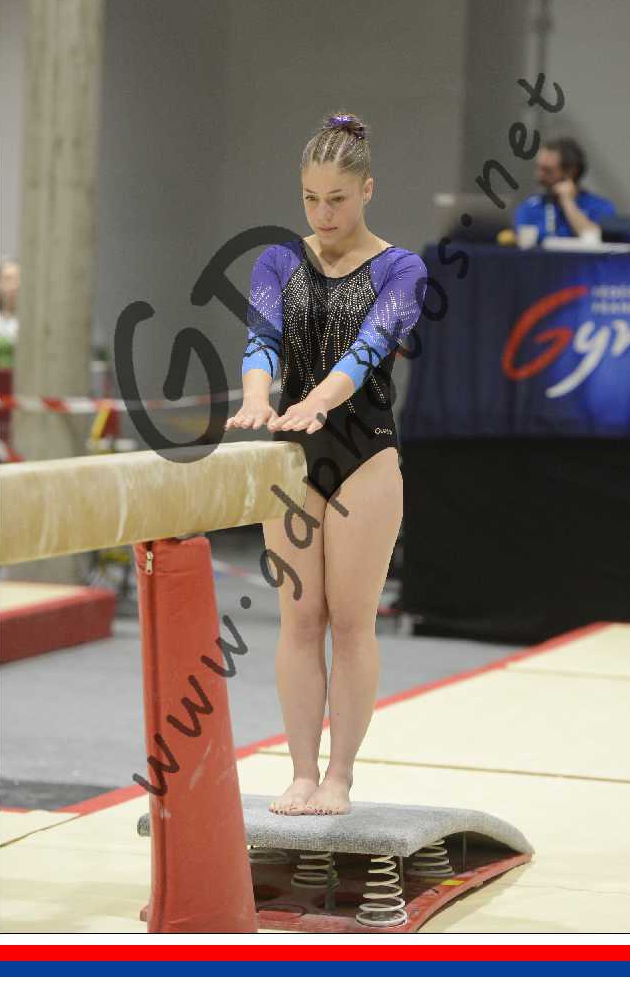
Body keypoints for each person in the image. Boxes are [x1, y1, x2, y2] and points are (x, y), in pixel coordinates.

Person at [225, 111, 427, 816]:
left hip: (364, 451)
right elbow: (262, 339)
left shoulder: (402, 268)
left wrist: (316, 401)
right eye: (310, 198)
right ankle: (302, 772)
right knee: (300, 618)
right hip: (293, 454)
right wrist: (258, 397)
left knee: (350, 621)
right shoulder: (278, 261)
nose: (323, 213)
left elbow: (369, 349)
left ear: (367, 190)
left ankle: (340, 775)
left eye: (337, 199)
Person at [514, 138, 616, 243]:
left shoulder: (599, 206)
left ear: (570, 172)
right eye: (538, 168)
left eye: (547, 170)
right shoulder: (530, 207)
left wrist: (567, 201)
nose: (539, 176)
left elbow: (593, 240)